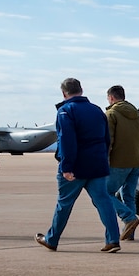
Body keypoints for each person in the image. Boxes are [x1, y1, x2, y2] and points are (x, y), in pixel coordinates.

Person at [35, 78, 123, 253]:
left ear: (64, 93)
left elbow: (67, 141)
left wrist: (66, 167)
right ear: (81, 90)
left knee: (64, 204)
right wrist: (102, 160)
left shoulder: (65, 111)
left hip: (76, 167)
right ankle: (113, 239)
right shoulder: (97, 110)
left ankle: (52, 239)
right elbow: (106, 139)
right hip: (97, 165)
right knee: (103, 201)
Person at [104, 84, 139, 241]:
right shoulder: (137, 115)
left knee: (105, 194)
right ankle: (129, 233)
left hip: (118, 162)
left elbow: (108, 140)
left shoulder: (111, 114)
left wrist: (105, 161)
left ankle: (128, 218)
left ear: (112, 97)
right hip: (136, 161)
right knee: (128, 196)